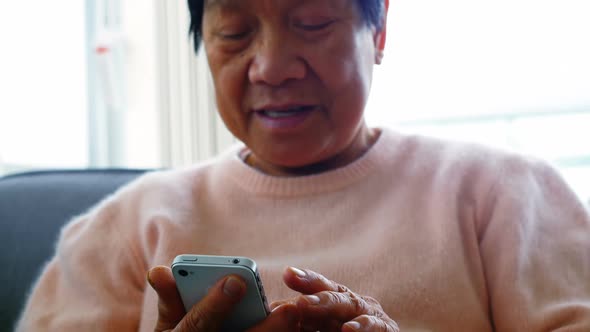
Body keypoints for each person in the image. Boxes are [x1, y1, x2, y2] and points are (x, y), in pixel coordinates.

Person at [16, 0, 590, 331]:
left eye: (312, 22)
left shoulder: (504, 194)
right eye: (235, 32)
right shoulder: (126, 230)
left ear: (380, 27)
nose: (271, 66)